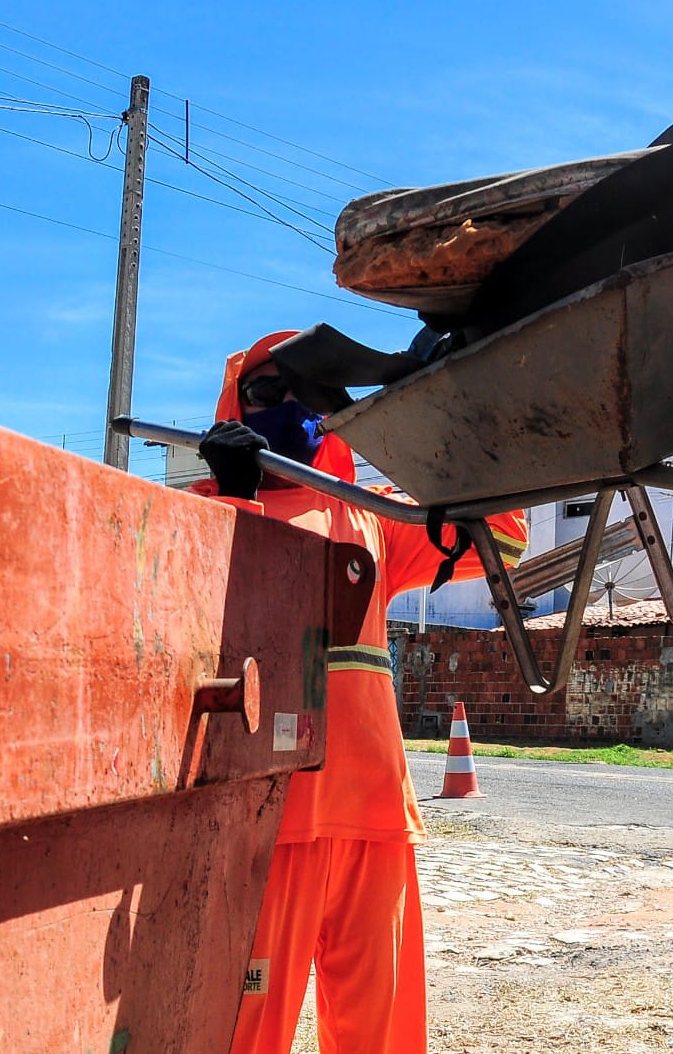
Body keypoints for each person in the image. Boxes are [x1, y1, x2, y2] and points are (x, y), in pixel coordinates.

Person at [191, 330, 527, 1054]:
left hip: (375, 823)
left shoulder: (371, 514)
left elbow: (502, 535)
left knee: (380, 1040)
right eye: (265, 391)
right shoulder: (203, 510)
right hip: (265, 826)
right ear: (233, 404)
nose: (285, 406)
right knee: (244, 1035)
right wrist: (237, 499)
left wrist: (441, 403)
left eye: (304, 392)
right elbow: (214, 610)